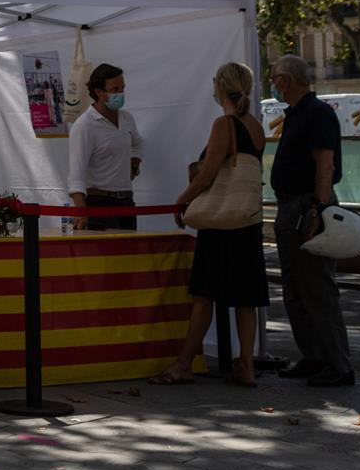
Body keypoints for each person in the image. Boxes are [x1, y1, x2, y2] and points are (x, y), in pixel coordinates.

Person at [154, 62, 269, 386]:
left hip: (220, 223)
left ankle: (183, 364)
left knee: (204, 295)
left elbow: (208, 174)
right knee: (245, 297)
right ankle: (245, 363)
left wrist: (181, 199)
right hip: (247, 220)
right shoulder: (256, 127)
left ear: (220, 87)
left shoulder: (224, 124)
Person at [269, 54, 354, 387]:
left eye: (273, 76)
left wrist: (317, 210)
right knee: (295, 287)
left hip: (308, 205)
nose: (272, 82)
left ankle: (337, 363)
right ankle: (314, 356)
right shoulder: (296, 114)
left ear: (285, 80)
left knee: (316, 287)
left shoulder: (317, 114)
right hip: (293, 205)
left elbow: (325, 166)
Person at [67, 63, 142, 230]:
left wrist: (134, 164)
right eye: (114, 90)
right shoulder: (84, 126)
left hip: (126, 201)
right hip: (99, 202)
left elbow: (138, 143)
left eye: (122, 88)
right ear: (98, 92)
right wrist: (81, 211)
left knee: (130, 252)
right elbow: (76, 174)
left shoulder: (126, 118)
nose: (120, 94)